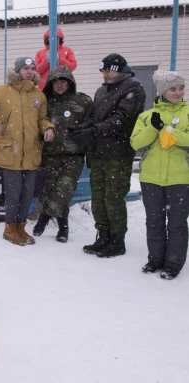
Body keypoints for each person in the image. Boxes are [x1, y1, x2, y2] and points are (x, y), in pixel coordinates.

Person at [70, 54, 145, 258]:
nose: (104, 74)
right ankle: (103, 235)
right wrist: (82, 128)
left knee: (113, 197)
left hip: (118, 154)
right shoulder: (102, 89)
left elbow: (122, 120)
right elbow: (95, 117)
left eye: (107, 70)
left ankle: (117, 239)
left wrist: (93, 131)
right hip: (99, 152)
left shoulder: (133, 88)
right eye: (102, 71)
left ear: (119, 70)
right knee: (99, 197)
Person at [0, 57, 55, 246]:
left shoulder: (38, 95)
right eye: (25, 68)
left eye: (32, 68)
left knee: (27, 193)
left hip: (31, 152)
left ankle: (20, 228)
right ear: (17, 71)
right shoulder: (1, 91)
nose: (29, 71)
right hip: (10, 152)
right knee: (13, 194)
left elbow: (42, 118)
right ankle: (9, 229)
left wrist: (47, 128)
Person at [130, 70, 189, 279]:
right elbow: (136, 143)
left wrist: (167, 130)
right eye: (173, 89)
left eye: (181, 88)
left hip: (180, 178)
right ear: (162, 91)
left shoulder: (187, 113)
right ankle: (155, 259)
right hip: (151, 178)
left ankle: (173, 263)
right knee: (154, 221)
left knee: (177, 223)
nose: (178, 92)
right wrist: (153, 129)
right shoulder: (147, 116)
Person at [33, 66, 93, 243]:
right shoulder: (45, 101)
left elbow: (92, 121)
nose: (60, 85)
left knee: (64, 190)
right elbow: (35, 121)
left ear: (70, 82)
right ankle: (63, 227)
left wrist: (83, 129)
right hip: (49, 155)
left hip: (73, 156)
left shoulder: (83, 101)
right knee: (50, 192)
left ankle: (44, 217)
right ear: (51, 83)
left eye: (63, 81)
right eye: (56, 82)